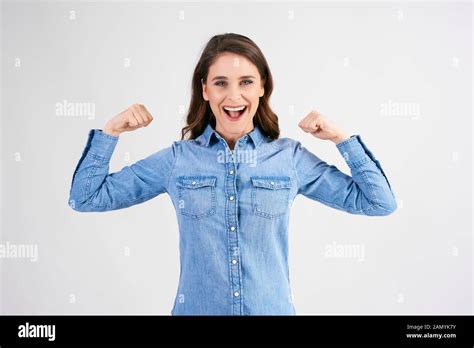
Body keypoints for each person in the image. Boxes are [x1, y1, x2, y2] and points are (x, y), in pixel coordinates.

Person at [68, 33, 397, 315]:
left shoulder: (289, 158)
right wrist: (111, 132)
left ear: (262, 87)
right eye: (221, 83)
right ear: (206, 90)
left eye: (246, 82)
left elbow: (378, 202)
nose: (234, 96)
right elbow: (86, 197)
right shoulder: (178, 160)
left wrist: (340, 139)